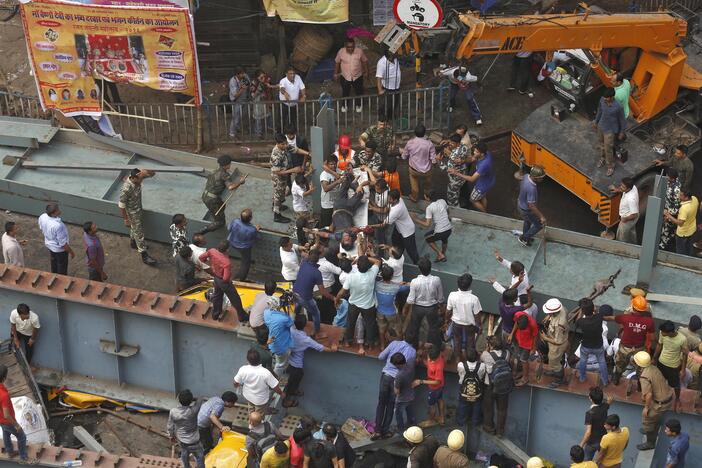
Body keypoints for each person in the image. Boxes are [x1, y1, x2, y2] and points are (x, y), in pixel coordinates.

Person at [372, 331, 416, 440]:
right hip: (398, 380)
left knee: (381, 404)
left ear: (404, 336)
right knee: (391, 406)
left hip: (386, 377)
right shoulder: (413, 352)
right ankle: (385, 431)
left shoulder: (394, 344)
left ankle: (377, 431)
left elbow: (381, 357)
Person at [604, 296, 655, 385]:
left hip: (625, 348)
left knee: (620, 365)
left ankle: (616, 379)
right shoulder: (649, 322)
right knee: (640, 368)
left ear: (633, 307)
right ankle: (640, 385)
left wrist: (600, 317)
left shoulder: (625, 317)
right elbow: (653, 337)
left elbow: (611, 318)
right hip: (639, 349)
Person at [337, 255, 381, 353]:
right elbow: (378, 262)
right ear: (368, 266)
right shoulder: (372, 273)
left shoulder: (351, 277)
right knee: (370, 325)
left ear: (357, 265)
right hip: (368, 306)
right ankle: (370, 344)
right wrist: (364, 257)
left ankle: (348, 342)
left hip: (354, 304)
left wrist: (336, 300)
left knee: (350, 323)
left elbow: (341, 293)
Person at [634, 351, 674, 450]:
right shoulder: (653, 367)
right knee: (654, 415)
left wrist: (646, 408)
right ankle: (652, 425)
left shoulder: (644, 376)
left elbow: (649, 394)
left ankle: (650, 442)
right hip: (668, 397)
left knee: (647, 419)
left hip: (660, 403)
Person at [199, 239, 247, 322]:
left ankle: (215, 314)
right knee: (235, 299)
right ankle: (242, 316)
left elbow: (201, 258)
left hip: (216, 278)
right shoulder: (226, 262)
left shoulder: (212, 251)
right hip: (223, 281)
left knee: (217, 296)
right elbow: (225, 278)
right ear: (227, 249)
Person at [293, 249, 336, 339]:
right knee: (316, 313)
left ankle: (294, 320)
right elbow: (323, 291)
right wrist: (333, 298)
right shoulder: (317, 273)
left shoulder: (303, 263)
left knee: (298, 306)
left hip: (295, 292)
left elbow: (305, 256)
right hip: (306, 297)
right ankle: (317, 333)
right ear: (317, 260)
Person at [403, 258, 444, 349]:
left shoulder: (414, 282)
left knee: (414, 327)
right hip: (431, 308)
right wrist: (441, 308)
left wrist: (405, 309)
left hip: (418, 308)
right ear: (430, 268)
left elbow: (410, 299)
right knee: (433, 328)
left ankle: (414, 347)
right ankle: (436, 347)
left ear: (419, 269)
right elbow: (440, 298)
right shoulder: (437, 280)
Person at [118, 169, 157, 265]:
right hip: (132, 213)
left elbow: (153, 173)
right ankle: (144, 255)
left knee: (134, 229)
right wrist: (126, 219)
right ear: (134, 178)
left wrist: (145, 171)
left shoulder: (138, 177)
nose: (142, 181)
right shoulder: (127, 188)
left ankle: (133, 242)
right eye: (140, 179)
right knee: (139, 233)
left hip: (138, 209)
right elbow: (121, 205)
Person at [200, 155, 247, 234]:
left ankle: (215, 215)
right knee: (221, 222)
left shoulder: (214, 171)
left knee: (222, 205)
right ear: (227, 165)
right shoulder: (224, 174)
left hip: (205, 196)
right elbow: (231, 187)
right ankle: (203, 230)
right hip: (212, 200)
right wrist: (240, 182)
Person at [448, 142, 495, 212]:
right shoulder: (486, 153)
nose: (474, 152)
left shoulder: (484, 165)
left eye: (476, 152)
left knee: (472, 199)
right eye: (474, 150)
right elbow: (473, 159)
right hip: (489, 180)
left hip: (482, 185)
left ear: (481, 154)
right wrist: (462, 161)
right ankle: (484, 207)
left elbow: (472, 179)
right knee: (483, 196)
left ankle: (484, 213)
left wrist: (456, 173)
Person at [653, 320, 688, 412]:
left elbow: (685, 355)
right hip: (661, 363)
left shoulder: (682, 339)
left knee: (676, 385)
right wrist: (654, 358)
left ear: (670, 332)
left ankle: (677, 398)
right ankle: (660, 396)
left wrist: (683, 370)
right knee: (659, 381)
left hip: (673, 367)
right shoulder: (662, 333)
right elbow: (659, 345)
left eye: (664, 332)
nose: (661, 333)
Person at [481, 337, 512, 437]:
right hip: (504, 385)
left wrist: (487, 349)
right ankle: (500, 431)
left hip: (490, 385)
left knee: (488, 407)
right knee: (502, 409)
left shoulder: (486, 355)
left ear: (491, 345)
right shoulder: (507, 353)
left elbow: (481, 358)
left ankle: (489, 427)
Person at [446, 273, 481, 361]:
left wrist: (447, 321)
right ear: (469, 285)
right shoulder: (474, 299)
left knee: (457, 340)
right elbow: (477, 315)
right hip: (469, 325)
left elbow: (448, 311)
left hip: (456, 324)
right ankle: (469, 360)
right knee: (470, 342)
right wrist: (479, 326)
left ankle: (458, 359)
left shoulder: (452, 295)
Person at [167, 389, 205, 468]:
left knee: (184, 453)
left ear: (178, 400)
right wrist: (192, 399)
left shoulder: (173, 412)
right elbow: (201, 398)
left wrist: (171, 436)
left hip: (182, 440)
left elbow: (170, 426)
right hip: (195, 441)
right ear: (190, 401)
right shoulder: (194, 410)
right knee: (200, 458)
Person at [593, 87, 626, 177]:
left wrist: (622, 132)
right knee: (601, 144)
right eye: (604, 97)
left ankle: (610, 166)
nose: (604, 98)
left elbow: (622, 120)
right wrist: (596, 122)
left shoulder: (618, 106)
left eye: (607, 97)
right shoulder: (602, 100)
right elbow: (599, 111)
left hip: (610, 130)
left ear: (612, 97)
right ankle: (603, 158)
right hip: (601, 126)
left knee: (608, 148)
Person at [411, 191, 452, 262]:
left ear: (427, 198)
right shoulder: (442, 201)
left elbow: (427, 224)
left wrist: (415, 219)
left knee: (427, 238)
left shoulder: (429, 208)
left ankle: (440, 254)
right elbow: (448, 211)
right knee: (444, 240)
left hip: (440, 231)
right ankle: (443, 254)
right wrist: (447, 218)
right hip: (449, 229)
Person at [576, 298, 609, 386]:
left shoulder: (581, 322)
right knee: (602, 362)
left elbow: (577, 321)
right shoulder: (599, 317)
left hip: (586, 346)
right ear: (593, 308)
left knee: (583, 360)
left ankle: (582, 378)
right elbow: (598, 311)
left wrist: (581, 310)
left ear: (583, 311)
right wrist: (593, 309)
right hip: (598, 346)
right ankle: (605, 380)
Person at [401, 123, 437, 203]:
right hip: (427, 171)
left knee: (414, 185)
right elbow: (433, 159)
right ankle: (427, 195)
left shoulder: (410, 143)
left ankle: (414, 197)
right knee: (427, 184)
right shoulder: (429, 144)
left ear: (415, 133)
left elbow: (404, 156)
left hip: (414, 170)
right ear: (424, 133)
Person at [375, 264, 408, 349]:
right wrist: (403, 284)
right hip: (392, 313)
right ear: (392, 276)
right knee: (398, 330)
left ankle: (382, 346)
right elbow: (406, 288)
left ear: (381, 275)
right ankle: (400, 347)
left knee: (381, 330)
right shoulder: (396, 287)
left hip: (380, 311)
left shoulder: (376, 285)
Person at [38, 203, 75, 274]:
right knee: (62, 266)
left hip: (50, 245)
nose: (59, 211)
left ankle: (54, 274)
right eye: (57, 210)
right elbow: (63, 243)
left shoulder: (42, 216)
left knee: (54, 262)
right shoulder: (58, 226)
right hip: (59, 250)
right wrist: (71, 252)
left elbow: (41, 228)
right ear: (53, 213)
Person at [414, 344, 445, 427]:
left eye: (432, 359)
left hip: (435, 388)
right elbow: (428, 362)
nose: (430, 360)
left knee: (432, 405)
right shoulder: (437, 356)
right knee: (440, 399)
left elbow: (437, 382)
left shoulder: (438, 367)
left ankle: (431, 421)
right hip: (441, 387)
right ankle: (441, 417)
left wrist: (421, 381)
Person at [334, 38, 369, 113]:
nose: (350, 49)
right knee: (345, 91)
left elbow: (365, 61)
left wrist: (366, 72)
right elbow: (337, 62)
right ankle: (344, 105)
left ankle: (358, 105)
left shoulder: (359, 51)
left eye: (352, 47)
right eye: (348, 47)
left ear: (354, 46)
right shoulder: (341, 51)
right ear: (345, 46)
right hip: (345, 76)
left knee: (359, 91)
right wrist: (335, 73)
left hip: (358, 76)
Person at [0, 364, 27, 461]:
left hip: (1, 420)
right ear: (4, 378)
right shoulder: (4, 395)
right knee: (22, 436)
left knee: (6, 433)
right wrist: (17, 425)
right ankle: (23, 457)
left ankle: (10, 451)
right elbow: (7, 415)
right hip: (7, 421)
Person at [540, 298, 569, 386]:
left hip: (557, 345)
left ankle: (559, 379)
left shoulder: (560, 324)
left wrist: (545, 338)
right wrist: (549, 316)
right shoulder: (562, 308)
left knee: (555, 362)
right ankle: (554, 370)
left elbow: (558, 341)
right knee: (553, 361)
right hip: (556, 338)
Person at [457, 348, 487, 432]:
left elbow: (459, 374)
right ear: (477, 357)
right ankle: (475, 422)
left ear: (466, 356)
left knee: (462, 406)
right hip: (477, 394)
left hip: (464, 393)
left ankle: (461, 422)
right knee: (477, 406)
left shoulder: (461, 365)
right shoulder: (482, 366)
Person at [385, 189, 419, 263]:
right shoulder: (399, 199)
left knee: (411, 250)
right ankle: (397, 254)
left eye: (390, 199)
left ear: (395, 200)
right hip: (399, 228)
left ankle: (417, 263)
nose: (388, 200)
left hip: (407, 231)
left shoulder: (395, 211)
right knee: (395, 240)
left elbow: (384, 224)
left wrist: (371, 226)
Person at [578, 386, 611, 461]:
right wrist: (609, 400)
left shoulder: (589, 413)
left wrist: (581, 445)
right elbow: (609, 403)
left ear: (590, 398)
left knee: (587, 461)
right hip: (603, 439)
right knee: (601, 460)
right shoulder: (605, 406)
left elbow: (588, 432)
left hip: (592, 442)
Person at [517, 165, 546, 247]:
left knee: (528, 221)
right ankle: (524, 237)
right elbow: (531, 206)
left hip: (520, 204)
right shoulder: (531, 188)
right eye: (541, 177)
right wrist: (541, 217)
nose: (542, 179)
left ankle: (526, 238)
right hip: (526, 210)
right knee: (539, 225)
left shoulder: (526, 176)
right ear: (535, 177)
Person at [227, 208, 261, 281]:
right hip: (244, 248)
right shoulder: (252, 230)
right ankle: (241, 278)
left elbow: (229, 228)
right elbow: (257, 238)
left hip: (232, 242)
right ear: (250, 218)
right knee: (246, 262)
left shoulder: (235, 221)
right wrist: (256, 230)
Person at [264, 302, 295, 376]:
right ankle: (274, 379)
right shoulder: (284, 318)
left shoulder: (266, 313)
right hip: (282, 347)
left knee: (277, 359)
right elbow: (291, 323)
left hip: (272, 344)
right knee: (280, 365)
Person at [664, 189, 698, 256]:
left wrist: (668, 215)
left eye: (681, 195)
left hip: (682, 233)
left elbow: (680, 223)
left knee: (681, 251)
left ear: (686, 197)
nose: (678, 196)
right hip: (692, 229)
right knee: (689, 248)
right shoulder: (694, 199)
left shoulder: (684, 208)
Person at [508, 310, 538, 386]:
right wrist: (511, 334)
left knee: (524, 360)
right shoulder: (518, 314)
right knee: (518, 356)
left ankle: (525, 378)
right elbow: (516, 323)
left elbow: (535, 336)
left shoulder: (533, 324)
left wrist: (533, 348)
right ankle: (521, 372)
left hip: (527, 345)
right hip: (519, 341)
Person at [440, 134, 469, 207]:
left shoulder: (455, 155)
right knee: (457, 192)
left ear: (458, 143)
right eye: (450, 142)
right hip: (462, 175)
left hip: (455, 180)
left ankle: (456, 213)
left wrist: (439, 161)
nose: (450, 144)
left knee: (452, 199)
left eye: (453, 143)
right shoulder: (464, 147)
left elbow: (446, 168)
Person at [660, 168, 682, 250]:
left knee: (666, 229)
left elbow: (676, 206)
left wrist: (668, 215)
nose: (666, 177)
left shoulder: (676, 189)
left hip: (671, 213)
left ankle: (663, 245)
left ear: (672, 178)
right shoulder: (670, 182)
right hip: (667, 208)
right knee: (669, 229)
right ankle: (670, 238)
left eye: (667, 176)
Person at [393, 352, 416, 431]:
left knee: (398, 413)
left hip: (402, 398)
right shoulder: (410, 362)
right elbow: (417, 359)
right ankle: (411, 424)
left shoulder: (399, 376)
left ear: (398, 365)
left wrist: (394, 385)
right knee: (409, 410)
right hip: (411, 394)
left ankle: (401, 429)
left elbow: (397, 392)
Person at [320, 155, 344, 228]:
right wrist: (337, 182)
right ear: (327, 164)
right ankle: (323, 238)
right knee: (325, 224)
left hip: (336, 203)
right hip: (327, 204)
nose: (333, 166)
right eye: (331, 164)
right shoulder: (324, 175)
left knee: (334, 221)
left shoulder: (338, 171)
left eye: (334, 164)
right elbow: (325, 188)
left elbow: (343, 176)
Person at [376, 50, 401, 119]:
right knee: (385, 107)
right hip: (387, 88)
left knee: (394, 104)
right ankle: (382, 122)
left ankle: (390, 119)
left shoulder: (395, 58)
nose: (393, 58)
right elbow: (379, 78)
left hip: (396, 87)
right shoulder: (382, 63)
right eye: (391, 57)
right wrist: (380, 90)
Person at [613, 177, 639, 244]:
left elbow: (635, 215)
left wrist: (625, 219)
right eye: (621, 185)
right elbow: (623, 189)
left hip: (628, 218)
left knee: (622, 235)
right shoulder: (633, 187)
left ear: (629, 189)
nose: (621, 187)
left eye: (623, 187)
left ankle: (622, 248)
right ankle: (633, 243)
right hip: (630, 215)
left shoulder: (631, 199)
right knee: (630, 232)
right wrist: (617, 190)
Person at [228, 67, 249, 139]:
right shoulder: (232, 81)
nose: (244, 75)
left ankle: (237, 127)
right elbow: (235, 95)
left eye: (244, 73)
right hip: (236, 101)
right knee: (235, 117)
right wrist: (242, 88)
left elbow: (249, 84)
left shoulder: (245, 77)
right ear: (237, 74)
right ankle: (232, 133)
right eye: (242, 73)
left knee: (242, 115)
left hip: (244, 99)